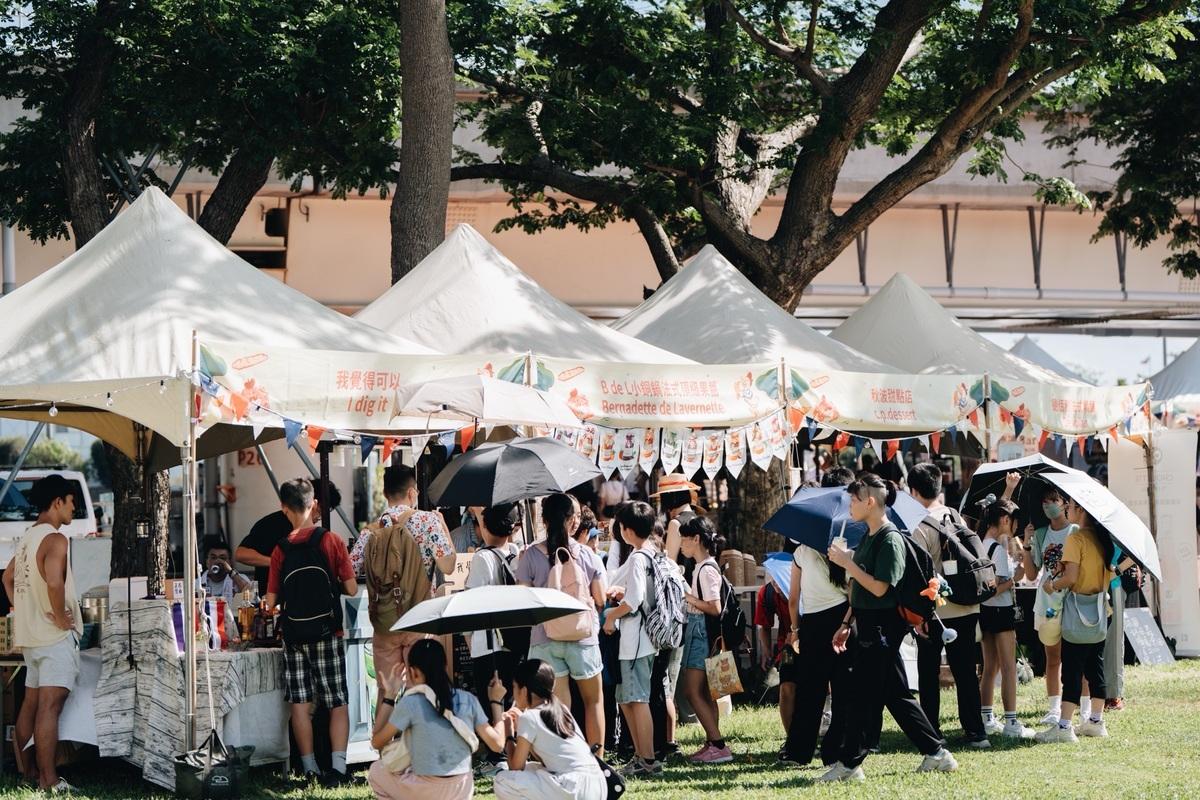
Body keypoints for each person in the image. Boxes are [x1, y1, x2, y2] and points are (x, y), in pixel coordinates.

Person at [821, 474, 956, 783]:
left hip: (884, 626)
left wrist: (848, 563)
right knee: (895, 694)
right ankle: (937, 753)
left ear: (870, 502)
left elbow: (882, 588)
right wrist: (847, 622)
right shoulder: (868, 536)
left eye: (855, 500)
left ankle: (849, 763)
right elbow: (862, 588)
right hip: (868, 623)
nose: (850, 505)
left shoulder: (889, 537)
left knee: (862, 695)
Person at [263, 478, 358, 786]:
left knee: (300, 705)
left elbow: (272, 600)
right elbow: (352, 587)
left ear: (283, 507)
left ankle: (309, 768)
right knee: (336, 702)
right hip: (327, 632)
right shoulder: (330, 540)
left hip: (293, 635)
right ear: (314, 504)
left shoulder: (280, 549)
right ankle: (339, 769)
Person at [2, 474, 83, 792]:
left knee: (31, 705)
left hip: (32, 638)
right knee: (50, 707)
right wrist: (63, 618)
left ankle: (29, 774)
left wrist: (24, 610)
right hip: (52, 638)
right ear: (58, 501)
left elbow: (7, 579)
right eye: (72, 502)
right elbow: (53, 582)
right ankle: (49, 780)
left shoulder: (27, 538)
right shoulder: (55, 539)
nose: (74, 508)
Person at [907, 462, 990, 749]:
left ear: (913, 491)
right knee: (965, 670)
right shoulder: (955, 517)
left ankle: (931, 731)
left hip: (936, 610)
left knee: (929, 672)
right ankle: (976, 731)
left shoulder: (919, 527)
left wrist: (918, 614)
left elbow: (918, 574)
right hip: (966, 606)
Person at [516, 494, 607, 754]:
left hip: (545, 638)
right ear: (573, 521)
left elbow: (525, 601)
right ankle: (597, 760)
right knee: (593, 701)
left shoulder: (530, 555)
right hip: (582, 637)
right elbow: (600, 598)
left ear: (544, 520)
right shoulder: (587, 555)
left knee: (558, 707)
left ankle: (565, 758)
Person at [355, 465, 456, 694]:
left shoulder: (371, 531)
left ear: (384, 494)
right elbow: (448, 567)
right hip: (419, 618)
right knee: (422, 688)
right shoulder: (427, 521)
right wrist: (444, 529)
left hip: (385, 622)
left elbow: (350, 570)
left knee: (386, 691)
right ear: (412, 493)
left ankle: (383, 731)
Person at [368, 639, 506, 800]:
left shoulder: (412, 702)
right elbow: (497, 745)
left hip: (426, 791)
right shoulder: (468, 699)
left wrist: (390, 696)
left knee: (377, 770)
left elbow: (377, 742)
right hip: (462, 788)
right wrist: (496, 702)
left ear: (413, 672)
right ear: (446, 667)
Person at [782, 467, 852, 767]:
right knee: (843, 690)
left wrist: (794, 630)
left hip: (811, 623)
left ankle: (798, 753)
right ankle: (835, 750)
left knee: (810, 692)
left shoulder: (801, 551)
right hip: (841, 620)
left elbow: (793, 597)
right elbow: (853, 590)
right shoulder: (845, 546)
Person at [1035, 496, 1115, 743]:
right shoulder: (1102, 540)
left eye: (1069, 505)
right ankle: (1095, 722)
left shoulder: (1076, 538)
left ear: (1081, 510)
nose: (1067, 509)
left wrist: (1051, 585)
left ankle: (1064, 726)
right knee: (1095, 668)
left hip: (1077, 613)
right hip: (1101, 611)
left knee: (1071, 670)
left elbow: (1070, 578)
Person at [603, 501, 662, 776]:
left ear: (625, 530)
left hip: (636, 638)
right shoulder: (650, 553)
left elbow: (635, 600)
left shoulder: (639, 557)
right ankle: (640, 757)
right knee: (628, 699)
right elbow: (616, 579)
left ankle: (648, 760)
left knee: (637, 700)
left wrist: (612, 615)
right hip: (643, 638)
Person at [493, 659, 606, 800]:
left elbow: (516, 767)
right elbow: (546, 759)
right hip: (598, 785)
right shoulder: (562, 709)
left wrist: (509, 734)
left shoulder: (529, 717)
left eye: (515, 688)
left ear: (524, 690)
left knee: (502, 779)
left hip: (574, 787)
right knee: (531, 768)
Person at [464, 502, 524, 757]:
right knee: (512, 698)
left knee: (491, 699)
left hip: (487, 642)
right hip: (515, 639)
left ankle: (497, 755)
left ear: (484, 527)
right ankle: (514, 749)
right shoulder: (518, 552)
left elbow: (472, 603)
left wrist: (468, 640)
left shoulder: (482, 557)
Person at [1020, 483, 1080, 725]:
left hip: (1072, 599)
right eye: (1044, 502)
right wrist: (1027, 543)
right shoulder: (1042, 533)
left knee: (1077, 657)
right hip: (1046, 601)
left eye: (1053, 500)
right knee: (1052, 657)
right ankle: (1054, 708)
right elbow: (1032, 574)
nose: (1048, 506)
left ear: (1065, 503)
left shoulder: (1075, 531)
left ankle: (1083, 708)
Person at [976, 497, 1036, 739]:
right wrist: (1016, 576)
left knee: (990, 666)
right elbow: (996, 587)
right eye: (1013, 523)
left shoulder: (981, 543)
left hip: (984, 611)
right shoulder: (998, 550)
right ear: (1004, 520)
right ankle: (1011, 720)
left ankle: (986, 716)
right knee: (1008, 666)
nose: (1014, 529)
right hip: (1000, 611)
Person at [679, 515, 733, 765]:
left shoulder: (706, 568)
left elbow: (714, 606)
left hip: (702, 634)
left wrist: (688, 598)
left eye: (684, 538)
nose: (681, 543)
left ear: (696, 539)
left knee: (691, 691)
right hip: (703, 634)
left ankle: (718, 744)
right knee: (704, 692)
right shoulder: (703, 566)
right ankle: (713, 742)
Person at [237, 483, 342, 594]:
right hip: (273, 600)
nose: (318, 518)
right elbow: (241, 554)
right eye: (320, 512)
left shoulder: (312, 534)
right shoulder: (272, 523)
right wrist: (277, 562)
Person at [755, 572, 795, 736]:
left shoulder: (807, 589)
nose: (776, 584)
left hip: (812, 644)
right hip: (787, 649)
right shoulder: (767, 593)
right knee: (786, 687)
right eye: (773, 579)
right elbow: (764, 626)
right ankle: (791, 738)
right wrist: (766, 651)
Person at [654, 474, 700, 568]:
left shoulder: (676, 523)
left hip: (684, 579)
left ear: (669, 497)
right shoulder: (697, 518)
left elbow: (670, 562)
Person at [201, 535, 252, 605]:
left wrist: (231, 572)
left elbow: (251, 595)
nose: (218, 561)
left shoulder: (239, 578)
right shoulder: (197, 583)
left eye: (222, 558)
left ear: (230, 562)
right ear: (207, 562)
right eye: (213, 558)